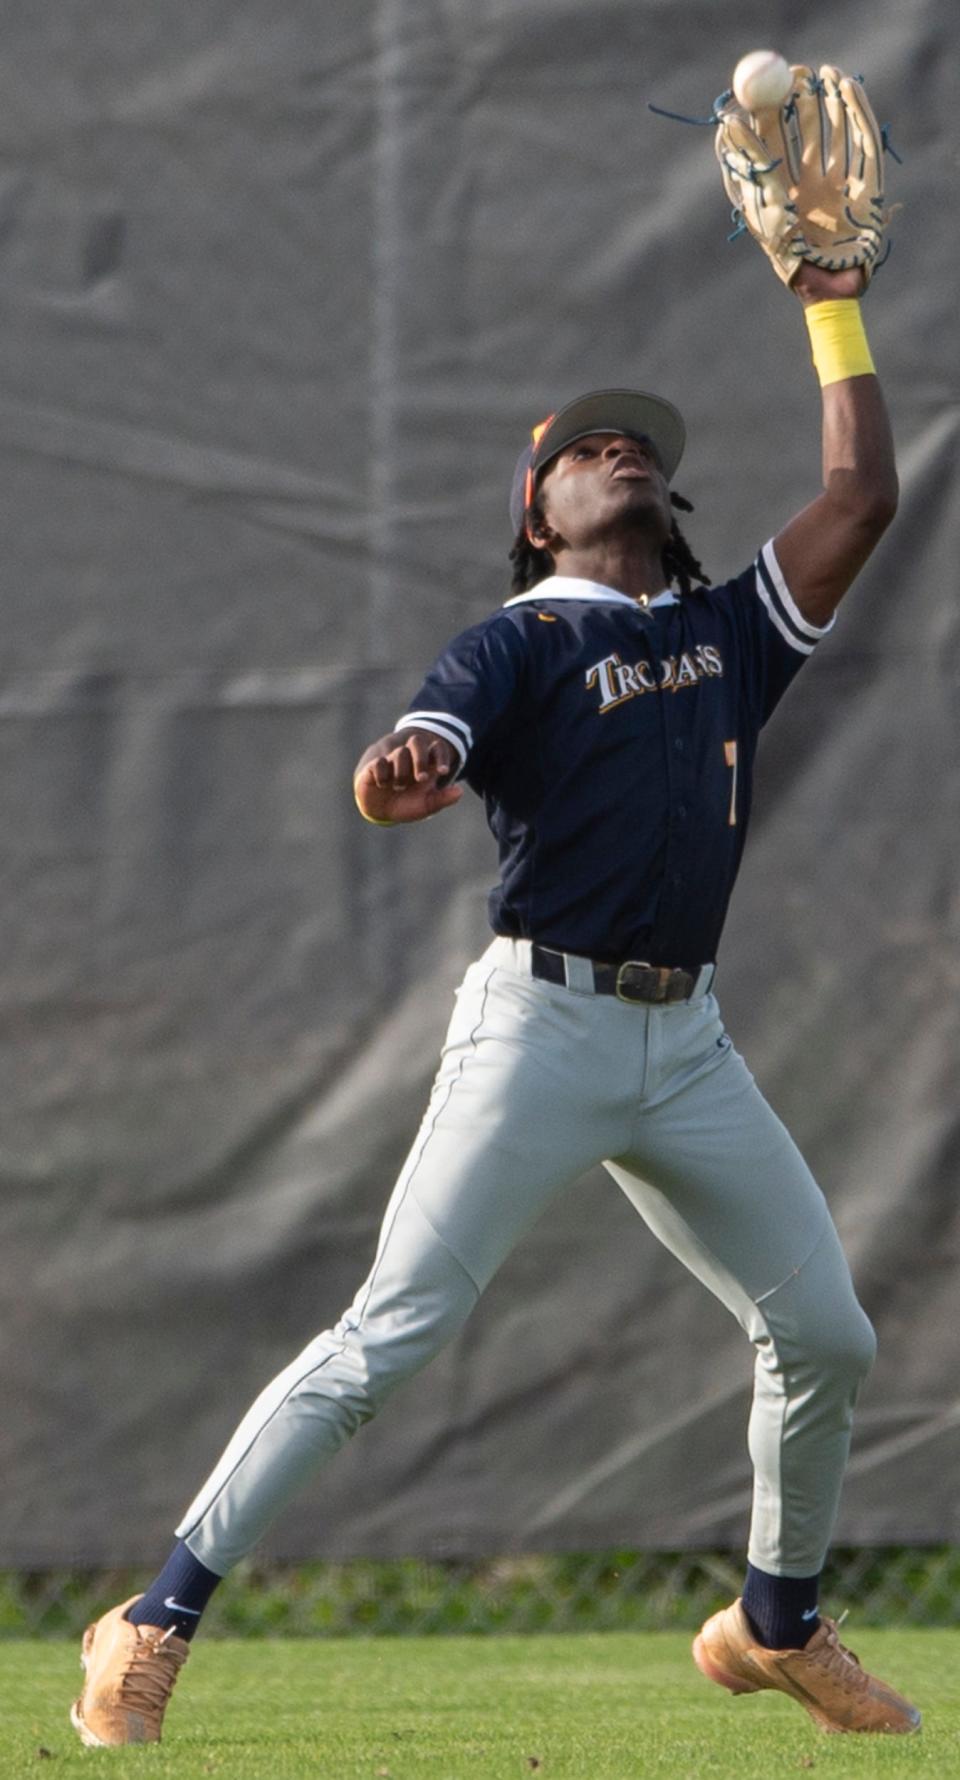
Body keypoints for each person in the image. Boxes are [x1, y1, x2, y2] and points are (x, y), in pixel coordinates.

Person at [70, 254, 920, 1744]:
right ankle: (150, 1618)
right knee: (389, 1333)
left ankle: (773, 1627)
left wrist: (828, 301)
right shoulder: (517, 642)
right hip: (542, 1028)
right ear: (537, 516)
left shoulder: (724, 638)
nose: (622, 451)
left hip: (690, 1047)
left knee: (829, 1336)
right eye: (585, 448)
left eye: (640, 443)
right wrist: (398, 774)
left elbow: (859, 502)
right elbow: (419, 747)